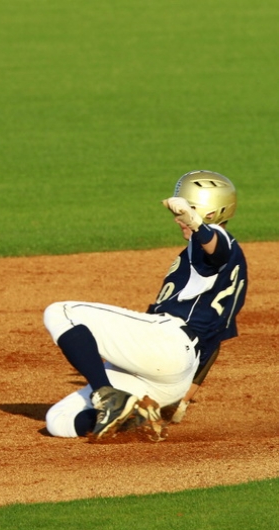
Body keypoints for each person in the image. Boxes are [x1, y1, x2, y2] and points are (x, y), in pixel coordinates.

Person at [44, 170, 247, 441]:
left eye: (188, 211)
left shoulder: (222, 246)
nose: (179, 219)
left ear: (209, 213)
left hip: (169, 342)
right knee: (58, 420)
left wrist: (196, 224)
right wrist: (185, 397)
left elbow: (217, 247)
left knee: (60, 312)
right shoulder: (222, 271)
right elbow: (214, 339)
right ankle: (136, 416)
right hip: (171, 377)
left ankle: (108, 397)